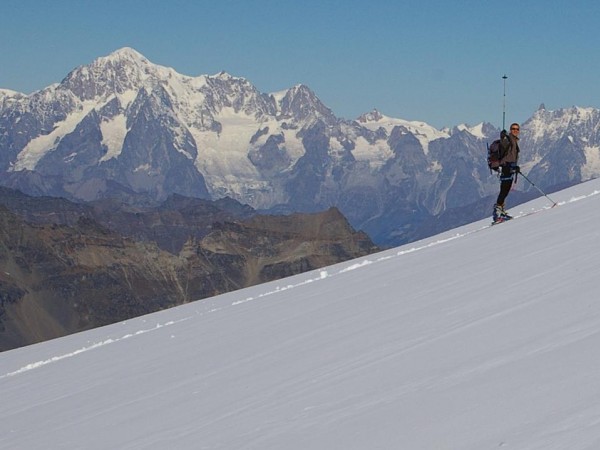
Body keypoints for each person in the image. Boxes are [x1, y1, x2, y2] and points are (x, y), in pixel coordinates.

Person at [493, 122, 521, 222]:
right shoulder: (508, 139)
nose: (515, 130)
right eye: (513, 129)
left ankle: (500, 212)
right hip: (506, 167)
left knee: (505, 189)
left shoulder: (514, 140)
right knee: (504, 190)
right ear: (510, 130)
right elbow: (503, 145)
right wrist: (502, 137)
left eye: (517, 129)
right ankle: (498, 213)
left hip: (509, 167)